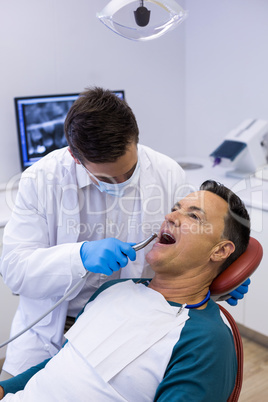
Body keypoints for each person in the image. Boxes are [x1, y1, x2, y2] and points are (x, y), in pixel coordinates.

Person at [0, 87, 248, 380]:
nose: (120, 182)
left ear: (135, 139)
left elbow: (193, 247)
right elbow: (14, 270)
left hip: (122, 331)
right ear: (75, 157)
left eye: (129, 172)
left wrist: (216, 274)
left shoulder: (166, 172)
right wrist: (79, 257)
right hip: (48, 333)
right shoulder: (42, 180)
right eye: (106, 177)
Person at [0, 180, 250, 401]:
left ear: (219, 251)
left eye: (194, 217)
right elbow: (62, 363)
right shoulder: (113, 289)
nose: (170, 216)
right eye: (175, 208)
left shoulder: (205, 340)